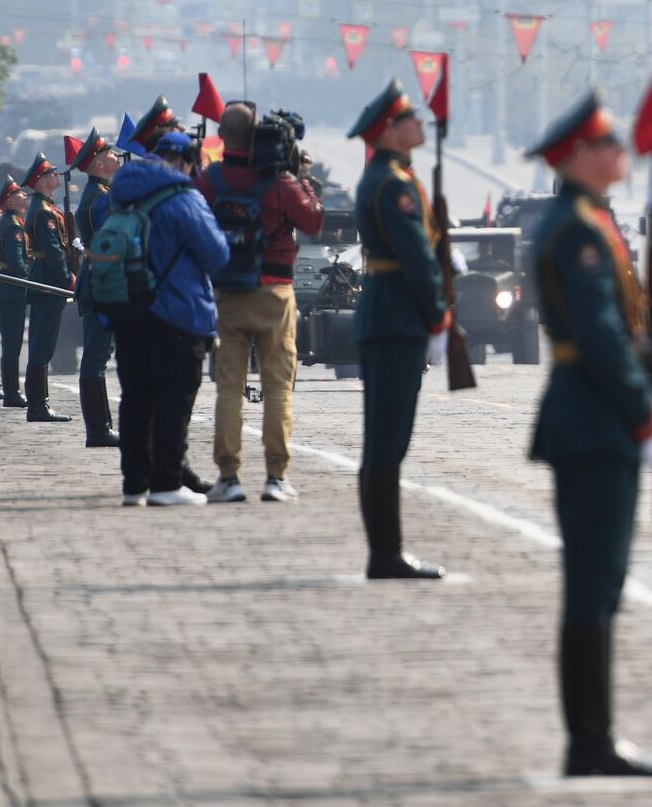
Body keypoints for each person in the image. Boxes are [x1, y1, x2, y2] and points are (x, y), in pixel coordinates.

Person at [525, 90, 652, 778]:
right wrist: (644, 411)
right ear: (581, 157)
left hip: (592, 412)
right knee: (592, 582)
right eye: (609, 142)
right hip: (594, 415)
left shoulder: (586, 220)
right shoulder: (579, 231)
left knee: (601, 582)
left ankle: (593, 735)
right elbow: (600, 335)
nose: (622, 151)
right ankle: (590, 741)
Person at [195, 103, 324, 504]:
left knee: (230, 388)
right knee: (277, 387)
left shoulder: (210, 179)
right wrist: (298, 176)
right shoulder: (279, 181)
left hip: (229, 292)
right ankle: (275, 475)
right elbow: (313, 221)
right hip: (275, 291)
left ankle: (229, 477)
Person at [348, 78, 449, 579]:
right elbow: (417, 256)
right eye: (412, 119)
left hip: (390, 315)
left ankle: (385, 552)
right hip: (396, 317)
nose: (421, 124)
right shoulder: (392, 184)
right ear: (390, 129)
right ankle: (384, 555)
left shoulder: (390, 176)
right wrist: (437, 313)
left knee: (388, 440)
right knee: (387, 441)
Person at [95, 133, 228, 507]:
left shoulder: (118, 198)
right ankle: (168, 484)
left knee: (136, 398)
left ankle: (134, 485)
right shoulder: (184, 199)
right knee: (173, 401)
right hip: (177, 312)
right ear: (187, 162)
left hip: (127, 310)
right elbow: (216, 255)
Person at [70, 129, 123, 447]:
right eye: (111, 153)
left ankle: (102, 426)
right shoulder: (100, 198)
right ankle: (98, 429)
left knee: (100, 355)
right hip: (101, 283)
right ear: (101, 162)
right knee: (95, 356)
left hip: (99, 279)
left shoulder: (100, 193)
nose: (117, 156)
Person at [21, 153, 74, 423]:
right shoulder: (43, 212)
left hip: (47, 281)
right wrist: (67, 278)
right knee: (42, 343)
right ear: (41, 181)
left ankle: (39, 403)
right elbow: (53, 251)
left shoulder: (45, 208)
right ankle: (38, 405)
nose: (56, 176)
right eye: (51, 173)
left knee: (45, 342)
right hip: (47, 282)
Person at [0, 176, 30, 408]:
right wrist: (30, 282)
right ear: (9, 200)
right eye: (18, 192)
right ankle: (12, 393)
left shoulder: (10, 221)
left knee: (10, 342)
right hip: (11, 291)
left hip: (7, 289)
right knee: (12, 342)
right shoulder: (12, 225)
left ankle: (11, 390)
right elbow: (17, 263)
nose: (23, 194)